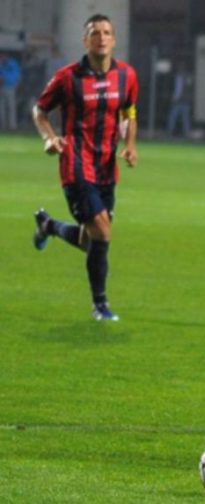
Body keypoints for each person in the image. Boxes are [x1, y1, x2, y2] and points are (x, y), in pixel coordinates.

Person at [31, 13, 139, 321]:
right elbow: (40, 110)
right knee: (102, 233)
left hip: (106, 168)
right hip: (76, 165)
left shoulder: (127, 76)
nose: (101, 37)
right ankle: (100, 305)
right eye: (94, 32)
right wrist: (50, 138)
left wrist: (130, 145)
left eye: (106, 32)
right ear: (85, 40)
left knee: (89, 240)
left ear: (114, 40)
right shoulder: (68, 78)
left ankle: (48, 226)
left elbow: (130, 112)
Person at [166, 62, 193, 137]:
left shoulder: (179, 77)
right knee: (185, 118)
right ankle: (187, 132)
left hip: (179, 100)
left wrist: (174, 98)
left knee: (173, 116)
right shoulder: (188, 77)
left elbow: (178, 89)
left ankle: (170, 131)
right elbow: (189, 88)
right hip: (186, 100)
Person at [0, 52, 21, 129]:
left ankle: (12, 125)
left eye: (3, 56)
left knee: (11, 107)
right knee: (2, 107)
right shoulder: (1, 64)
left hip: (11, 87)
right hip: (2, 87)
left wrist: (16, 84)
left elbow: (17, 75)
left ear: (6, 56)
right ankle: (3, 124)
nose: (2, 58)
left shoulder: (13, 64)